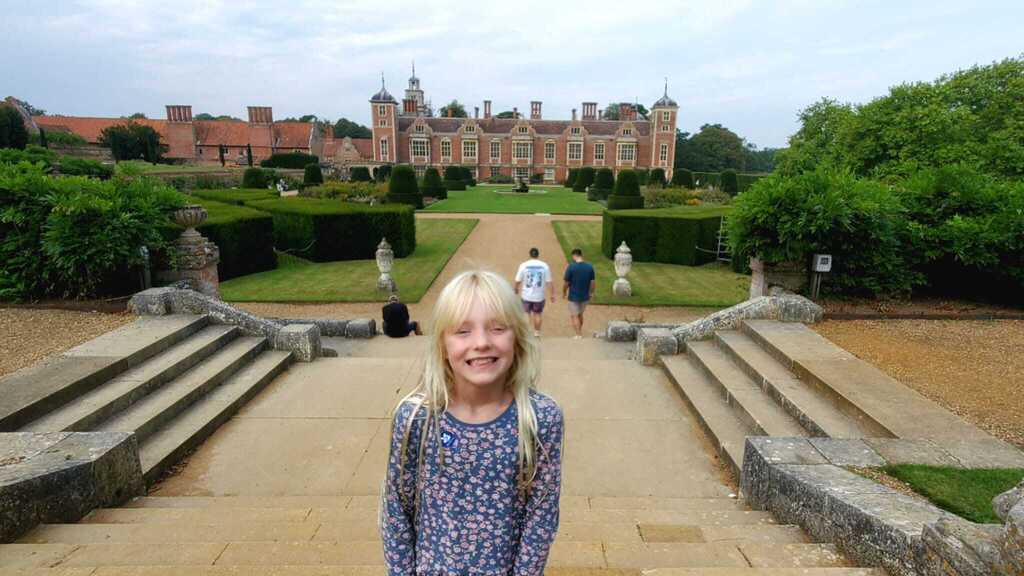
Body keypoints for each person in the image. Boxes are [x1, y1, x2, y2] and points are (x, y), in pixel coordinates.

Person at [381, 270, 564, 576]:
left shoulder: (540, 418)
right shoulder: (417, 418)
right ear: (442, 344)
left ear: (518, 336)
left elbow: (541, 516)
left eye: (497, 328)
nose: (481, 342)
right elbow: (396, 509)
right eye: (463, 331)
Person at [514, 247, 555, 337]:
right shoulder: (544, 266)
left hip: (526, 295)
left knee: (526, 313)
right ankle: (537, 333)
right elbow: (549, 282)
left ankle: (526, 333)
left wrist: (516, 289)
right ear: (538, 255)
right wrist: (552, 294)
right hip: (539, 296)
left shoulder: (523, 265)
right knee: (537, 314)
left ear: (530, 255)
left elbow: (518, 280)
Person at [563, 248, 595, 339]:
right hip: (585, 296)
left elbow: (566, 283)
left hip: (573, 296)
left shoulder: (571, 267)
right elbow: (592, 282)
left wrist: (564, 292)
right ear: (581, 255)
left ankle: (578, 334)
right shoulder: (590, 267)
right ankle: (579, 330)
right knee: (580, 314)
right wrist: (591, 293)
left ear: (574, 256)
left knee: (574, 315)